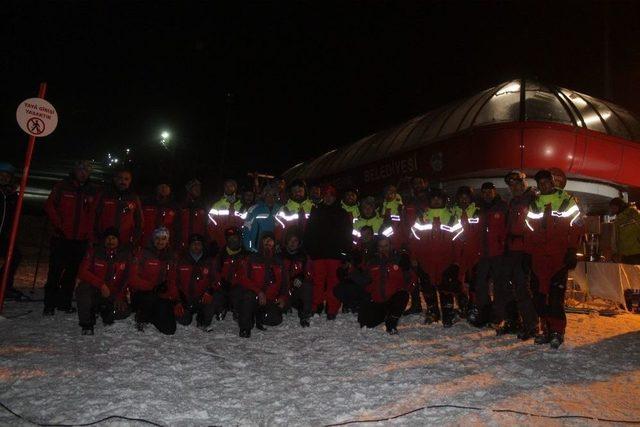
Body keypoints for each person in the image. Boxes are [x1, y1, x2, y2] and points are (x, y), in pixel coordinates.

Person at [526, 169, 583, 348]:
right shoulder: (534, 204)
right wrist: (527, 254)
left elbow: (577, 227)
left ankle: (558, 331)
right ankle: (547, 330)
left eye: (546, 182)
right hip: (538, 260)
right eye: (540, 184)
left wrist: (572, 250)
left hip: (559, 259)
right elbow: (528, 231)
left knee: (556, 298)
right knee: (540, 298)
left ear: (553, 182)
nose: (544, 186)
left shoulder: (567, 201)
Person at [43, 160, 100, 315]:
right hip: (61, 236)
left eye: (87, 170)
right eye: (81, 169)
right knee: (55, 271)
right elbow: (49, 205)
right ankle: (49, 304)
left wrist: (90, 234)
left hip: (80, 239)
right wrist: (58, 224)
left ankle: (64, 302)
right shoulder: (62, 186)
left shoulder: (93, 190)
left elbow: (95, 213)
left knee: (72, 273)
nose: (83, 173)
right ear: (75, 170)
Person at [408, 189, 462, 327]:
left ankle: (448, 314)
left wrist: (456, 261)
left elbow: (458, 240)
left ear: (443, 200)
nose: (436, 200)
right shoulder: (422, 218)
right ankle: (432, 312)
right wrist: (414, 257)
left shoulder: (451, 217)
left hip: (446, 260)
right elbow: (414, 240)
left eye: (439, 198)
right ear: (429, 201)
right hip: (426, 261)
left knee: (446, 287)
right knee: (427, 287)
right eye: (433, 198)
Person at [499, 170, 539, 340]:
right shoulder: (513, 202)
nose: (514, 187)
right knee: (507, 288)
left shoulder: (533, 200)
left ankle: (531, 325)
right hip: (511, 250)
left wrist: (530, 252)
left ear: (524, 183)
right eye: (511, 185)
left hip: (525, 251)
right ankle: (513, 321)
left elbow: (538, 227)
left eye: (516, 184)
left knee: (523, 289)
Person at [303, 185, 352, 319]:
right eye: (326, 195)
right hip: (318, 254)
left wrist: (345, 253)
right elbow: (309, 232)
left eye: (331, 195)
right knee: (318, 281)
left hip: (335, 254)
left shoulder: (342, 213)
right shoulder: (316, 212)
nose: (328, 198)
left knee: (334, 282)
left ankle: (332, 308)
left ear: (335, 197)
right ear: (323, 197)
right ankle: (316, 306)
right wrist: (309, 249)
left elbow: (347, 235)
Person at [467, 182, 508, 327]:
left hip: (498, 253)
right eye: (484, 192)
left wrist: (506, 248)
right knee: (480, 285)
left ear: (494, 191)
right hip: (482, 253)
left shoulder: (503, 206)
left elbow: (508, 229)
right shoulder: (476, 208)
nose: (487, 194)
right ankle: (485, 313)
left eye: (489, 191)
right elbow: (470, 228)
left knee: (499, 286)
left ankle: (498, 316)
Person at [75, 227, 131, 335]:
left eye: (113, 238)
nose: (110, 241)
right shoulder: (94, 252)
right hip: (95, 289)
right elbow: (82, 271)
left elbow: (126, 278)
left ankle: (104, 310)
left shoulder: (125, 255)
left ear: (118, 240)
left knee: (123, 312)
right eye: (108, 238)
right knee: (82, 289)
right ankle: (87, 323)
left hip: (112, 293)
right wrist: (101, 285)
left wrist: (120, 296)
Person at [232, 232, 287, 338]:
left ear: (274, 244)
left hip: (270, 298)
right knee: (247, 296)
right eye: (265, 240)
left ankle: (258, 316)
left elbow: (285, 283)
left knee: (275, 319)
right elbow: (243, 278)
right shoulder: (251, 259)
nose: (268, 242)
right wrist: (259, 292)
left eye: (270, 240)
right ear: (260, 243)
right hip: (254, 296)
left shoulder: (279, 262)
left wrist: (283, 297)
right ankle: (245, 327)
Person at [358, 237, 413, 334]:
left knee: (403, 295)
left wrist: (407, 282)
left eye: (386, 246)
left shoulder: (399, 259)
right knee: (366, 323)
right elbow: (363, 281)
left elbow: (409, 278)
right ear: (377, 247)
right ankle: (384, 315)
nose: (383, 249)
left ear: (391, 246)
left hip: (393, 299)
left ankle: (391, 323)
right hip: (377, 300)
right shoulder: (371, 261)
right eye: (381, 246)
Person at [169, 234, 223, 330]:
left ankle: (204, 313)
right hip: (185, 297)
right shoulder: (180, 260)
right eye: (194, 244)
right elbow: (173, 281)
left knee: (205, 321)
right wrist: (177, 300)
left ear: (203, 246)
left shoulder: (209, 261)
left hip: (203, 297)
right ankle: (187, 311)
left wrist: (210, 291)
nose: (196, 246)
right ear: (189, 245)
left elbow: (217, 280)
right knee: (184, 320)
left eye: (199, 244)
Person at [129, 227, 176, 335]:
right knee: (149, 298)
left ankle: (151, 316)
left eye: (163, 238)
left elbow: (173, 278)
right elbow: (133, 278)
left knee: (169, 329)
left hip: (160, 294)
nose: (160, 241)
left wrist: (172, 295)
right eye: (157, 238)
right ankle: (142, 316)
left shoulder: (170, 255)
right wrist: (151, 286)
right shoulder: (142, 254)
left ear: (167, 240)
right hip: (143, 293)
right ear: (153, 239)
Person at [94, 168, 143, 249]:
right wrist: (96, 236)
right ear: (115, 179)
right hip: (105, 240)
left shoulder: (134, 198)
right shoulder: (104, 195)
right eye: (120, 178)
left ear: (130, 181)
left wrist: (135, 239)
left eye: (126, 179)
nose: (123, 181)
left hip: (125, 242)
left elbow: (139, 220)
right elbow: (95, 216)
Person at [0, 162, 26, 301]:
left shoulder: (11, 195)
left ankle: (4, 285)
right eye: (1, 175)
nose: (4, 178)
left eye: (7, 176)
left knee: (14, 256)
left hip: (4, 235)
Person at [280, 229, 313, 327]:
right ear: (286, 242)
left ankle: (305, 314)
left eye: (295, 241)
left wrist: (301, 277)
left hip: (295, 291)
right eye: (290, 240)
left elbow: (309, 274)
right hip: (282, 292)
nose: (292, 243)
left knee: (307, 286)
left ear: (299, 243)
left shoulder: (303, 257)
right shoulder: (279, 256)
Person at [215, 226, 247, 317]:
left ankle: (237, 309)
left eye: (235, 237)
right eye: (230, 238)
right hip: (223, 286)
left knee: (240, 291)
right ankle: (222, 307)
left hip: (239, 288)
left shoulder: (246, 255)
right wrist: (220, 283)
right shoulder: (220, 255)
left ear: (239, 239)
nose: (233, 240)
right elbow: (215, 273)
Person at [243, 183, 282, 252]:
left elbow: (282, 230)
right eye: (268, 195)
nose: (271, 197)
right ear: (264, 195)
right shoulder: (254, 209)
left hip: (274, 251)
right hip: (256, 250)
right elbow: (247, 231)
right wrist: (250, 248)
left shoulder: (280, 209)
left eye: (274, 195)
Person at [176, 179, 211, 252]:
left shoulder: (204, 205)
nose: (197, 190)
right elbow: (176, 226)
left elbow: (208, 226)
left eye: (199, 188)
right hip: (183, 244)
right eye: (194, 187)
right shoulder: (181, 205)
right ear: (189, 190)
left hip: (199, 244)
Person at [209, 179, 244, 249]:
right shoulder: (217, 205)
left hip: (238, 245)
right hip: (221, 244)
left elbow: (245, 225)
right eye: (226, 186)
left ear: (235, 188)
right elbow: (210, 225)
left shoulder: (241, 205)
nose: (228, 188)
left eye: (231, 186)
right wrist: (214, 241)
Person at [140, 183, 177, 247]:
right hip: (146, 243)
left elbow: (176, 228)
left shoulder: (174, 207)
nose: (164, 189)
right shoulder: (145, 203)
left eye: (166, 186)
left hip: (166, 245)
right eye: (162, 186)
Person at [609, 197, 640, 264]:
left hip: (625, 254)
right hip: (636, 252)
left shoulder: (618, 220)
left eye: (612, 207)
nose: (612, 210)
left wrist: (614, 253)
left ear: (618, 206)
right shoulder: (636, 213)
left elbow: (614, 238)